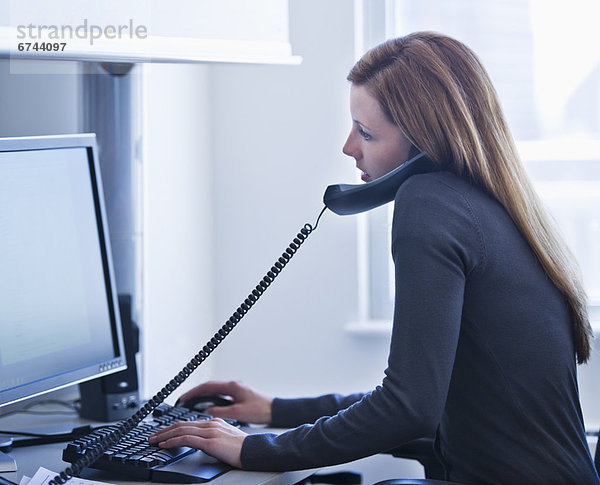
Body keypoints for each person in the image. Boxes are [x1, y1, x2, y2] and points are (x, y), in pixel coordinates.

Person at [149, 32, 599, 484]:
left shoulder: (430, 202)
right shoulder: (489, 205)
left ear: (424, 143)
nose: (349, 147)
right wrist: (276, 411)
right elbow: (423, 395)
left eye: (366, 132)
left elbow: (407, 409)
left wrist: (255, 449)